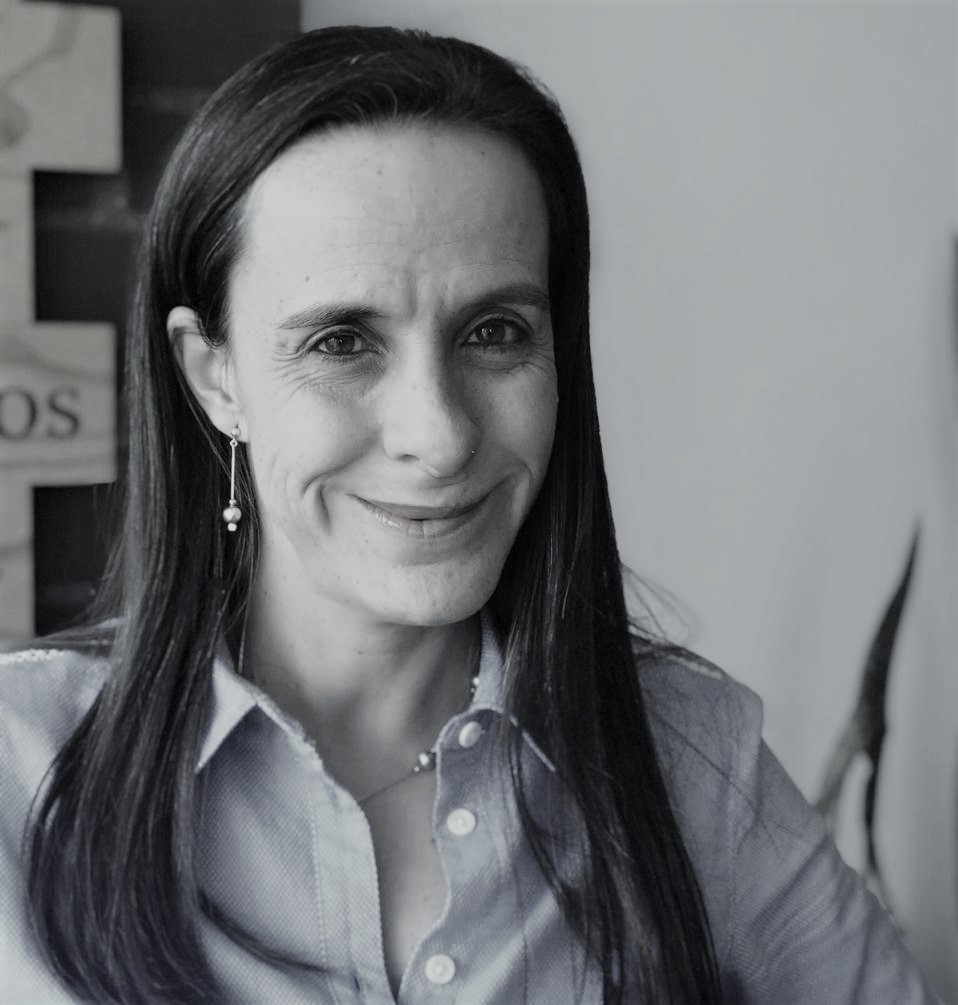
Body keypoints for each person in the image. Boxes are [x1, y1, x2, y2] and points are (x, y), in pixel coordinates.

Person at [0, 25, 943, 1005]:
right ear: (215, 376)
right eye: (341, 341)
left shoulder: (690, 756)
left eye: (493, 332)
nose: (441, 435)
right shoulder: (18, 769)